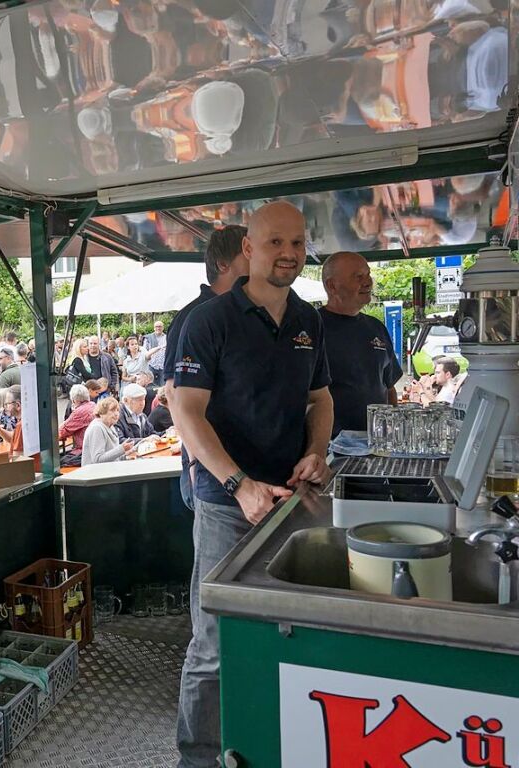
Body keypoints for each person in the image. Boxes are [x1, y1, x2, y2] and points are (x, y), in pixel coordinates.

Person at [172, 201, 332, 768]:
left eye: (297, 243)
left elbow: (321, 399)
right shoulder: (209, 320)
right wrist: (239, 484)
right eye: (274, 243)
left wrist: (316, 452)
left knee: (285, 631)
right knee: (213, 646)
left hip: (290, 503)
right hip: (225, 504)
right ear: (249, 248)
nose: (288, 253)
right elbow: (185, 411)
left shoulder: (308, 320)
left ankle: (267, 745)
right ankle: (197, 759)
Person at [164, 226, 250, 511]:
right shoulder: (193, 318)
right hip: (213, 477)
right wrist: (192, 462)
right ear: (223, 264)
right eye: (248, 253)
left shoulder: (253, 312)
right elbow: (174, 395)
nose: (258, 259)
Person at [319, 251, 402, 436]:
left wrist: (394, 431)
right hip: (331, 447)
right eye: (358, 277)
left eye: (368, 274)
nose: (368, 282)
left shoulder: (376, 327)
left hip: (377, 442)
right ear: (331, 286)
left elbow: (389, 387)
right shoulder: (313, 327)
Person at [81, 398, 136, 466]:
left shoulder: (111, 426)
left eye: (117, 410)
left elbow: (112, 457)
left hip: (109, 470)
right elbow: (97, 459)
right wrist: (121, 449)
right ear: (102, 412)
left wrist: (126, 454)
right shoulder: (97, 428)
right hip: (96, 474)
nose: (116, 414)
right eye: (112, 410)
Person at [59, 384, 96, 466]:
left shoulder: (80, 412)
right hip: (93, 449)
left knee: (57, 463)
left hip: (85, 451)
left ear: (74, 400)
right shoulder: (93, 405)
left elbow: (61, 432)